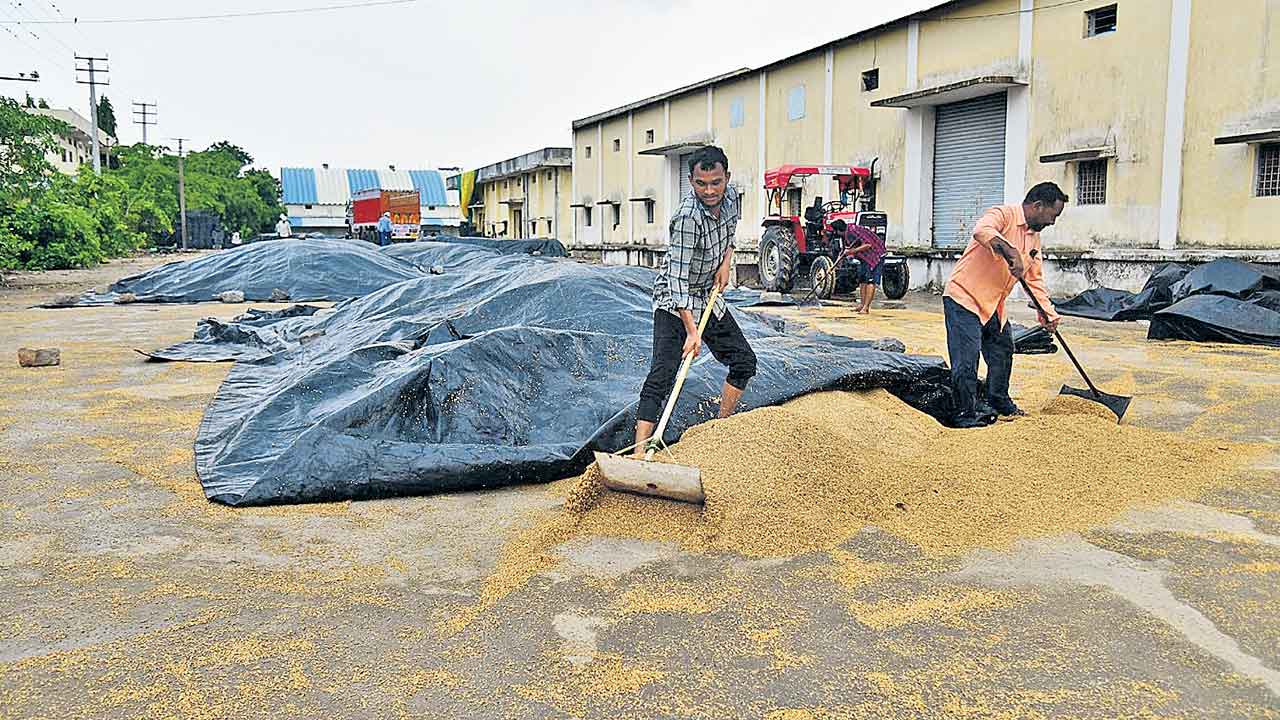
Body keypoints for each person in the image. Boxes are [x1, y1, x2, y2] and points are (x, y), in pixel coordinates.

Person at [633, 145, 757, 456]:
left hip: (706, 294)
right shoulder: (688, 218)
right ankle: (638, 454)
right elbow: (676, 279)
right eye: (701, 184)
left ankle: (720, 428)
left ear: (727, 178)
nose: (710, 191)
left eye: (716, 182)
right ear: (691, 181)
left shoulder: (732, 199)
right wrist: (691, 331)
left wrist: (726, 262)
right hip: (675, 301)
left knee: (744, 361)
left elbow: (730, 234)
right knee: (662, 376)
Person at [943, 182, 1067, 428]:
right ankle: (965, 414)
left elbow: (1034, 280)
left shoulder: (1034, 239)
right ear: (1038, 206)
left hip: (994, 304)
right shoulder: (1003, 214)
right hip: (964, 298)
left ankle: (998, 400)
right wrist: (1010, 251)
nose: (1053, 222)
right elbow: (982, 230)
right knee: (966, 360)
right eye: (1053, 215)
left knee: (1002, 351)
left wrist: (1047, 313)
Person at [845, 222, 885, 314]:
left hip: (876, 255)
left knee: (870, 280)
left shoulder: (854, 230)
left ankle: (866, 308)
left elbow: (868, 245)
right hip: (865, 257)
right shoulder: (848, 233)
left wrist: (852, 251)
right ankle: (862, 305)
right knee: (863, 280)